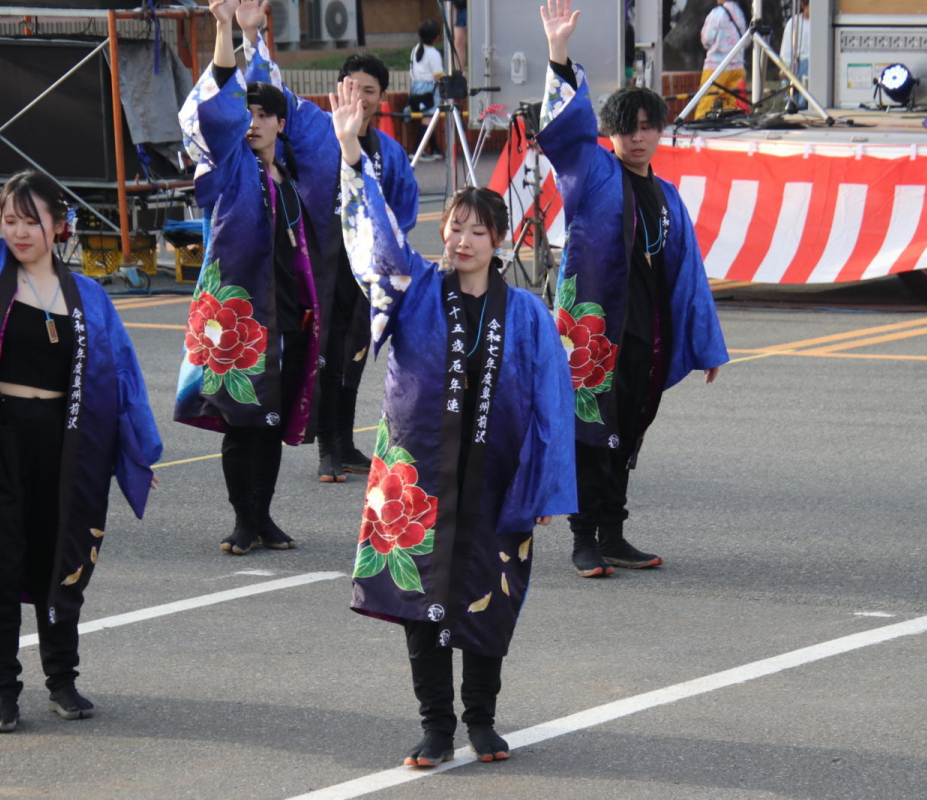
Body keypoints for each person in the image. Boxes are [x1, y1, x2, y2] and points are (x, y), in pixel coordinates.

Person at [331, 77, 575, 766]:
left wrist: (545, 486)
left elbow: (551, 402)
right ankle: (436, 725)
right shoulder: (413, 289)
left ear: (498, 240)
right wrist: (351, 155)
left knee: (487, 599)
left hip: (495, 481)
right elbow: (375, 238)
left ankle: (483, 720)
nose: (461, 238)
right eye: (453, 228)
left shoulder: (525, 312)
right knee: (418, 601)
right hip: (418, 478)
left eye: (476, 229)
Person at [0, 133, 162, 732]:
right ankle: (2, 691)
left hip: (63, 444)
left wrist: (139, 449)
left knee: (56, 560)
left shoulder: (88, 297)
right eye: (8, 220)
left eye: (29, 220)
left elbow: (122, 377)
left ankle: (63, 682)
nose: (16, 232)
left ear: (57, 224)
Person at [538, 0, 728, 579]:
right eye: (627, 128)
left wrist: (705, 344)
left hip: (645, 328)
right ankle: (583, 540)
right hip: (594, 328)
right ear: (610, 133)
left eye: (648, 127)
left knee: (628, 429)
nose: (638, 138)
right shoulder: (591, 170)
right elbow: (562, 133)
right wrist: (558, 53)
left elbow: (690, 273)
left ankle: (615, 533)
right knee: (589, 431)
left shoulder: (668, 195)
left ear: (660, 131)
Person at [176, 0, 338, 553]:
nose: (252, 122)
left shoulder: (294, 178)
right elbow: (218, 112)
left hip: (287, 315)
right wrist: (226, 31)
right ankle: (243, 519)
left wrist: (255, 35)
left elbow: (287, 105)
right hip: (240, 320)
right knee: (240, 419)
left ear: (279, 124)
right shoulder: (228, 165)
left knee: (269, 421)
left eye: (264, 115)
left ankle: (264, 516)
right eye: (246, 114)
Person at [311, 52, 421, 482]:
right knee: (324, 353)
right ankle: (325, 448)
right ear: (339, 90)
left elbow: (405, 211)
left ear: (381, 97)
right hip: (322, 263)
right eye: (352, 88)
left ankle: (343, 440)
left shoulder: (390, 153)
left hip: (367, 268)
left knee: (355, 352)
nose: (360, 98)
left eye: (370, 91)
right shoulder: (318, 137)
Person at [696, 0, 749, 118]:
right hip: (737, 65)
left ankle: (699, 128)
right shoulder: (739, 13)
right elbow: (746, 38)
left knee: (707, 100)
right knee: (733, 102)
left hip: (716, 66)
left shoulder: (717, 13)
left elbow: (706, 39)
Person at [408, 18, 445, 162]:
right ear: (437, 37)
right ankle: (417, 151)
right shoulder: (434, 53)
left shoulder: (416, 49)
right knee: (429, 118)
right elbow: (437, 76)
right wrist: (442, 92)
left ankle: (435, 149)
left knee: (428, 118)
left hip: (416, 87)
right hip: (430, 89)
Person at [779, 0, 810, 111]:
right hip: (800, 67)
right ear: (804, 5)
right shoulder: (793, 23)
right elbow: (786, 51)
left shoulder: (822, 25)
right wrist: (785, 70)